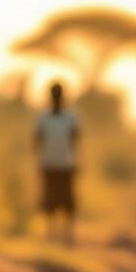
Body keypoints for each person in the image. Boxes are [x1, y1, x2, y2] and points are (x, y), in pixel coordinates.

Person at [34, 82, 80, 242]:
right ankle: (51, 234)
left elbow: (75, 140)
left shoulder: (70, 118)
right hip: (49, 164)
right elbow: (37, 140)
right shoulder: (43, 118)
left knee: (67, 202)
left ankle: (68, 235)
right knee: (50, 201)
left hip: (65, 164)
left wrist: (76, 161)